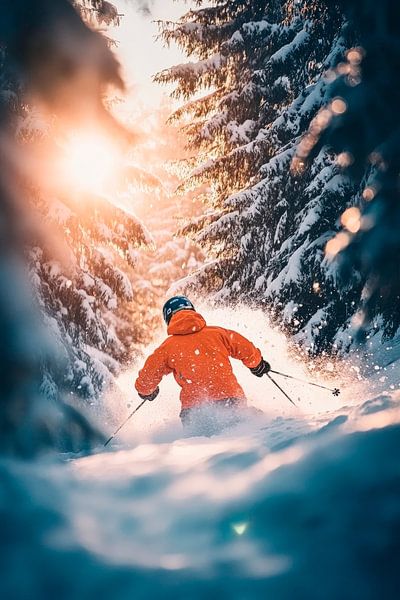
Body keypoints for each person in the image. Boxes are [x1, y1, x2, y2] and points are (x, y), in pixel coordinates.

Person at [134, 296, 271, 429]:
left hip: (194, 410)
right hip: (230, 399)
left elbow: (147, 378)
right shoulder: (218, 334)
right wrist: (257, 365)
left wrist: (147, 392)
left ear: (168, 319)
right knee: (247, 431)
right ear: (192, 310)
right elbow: (245, 349)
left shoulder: (167, 348)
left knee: (201, 445)